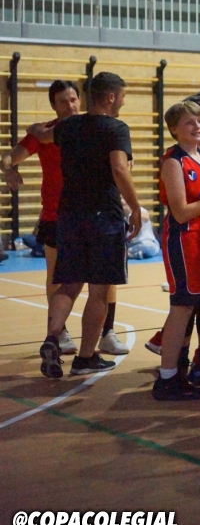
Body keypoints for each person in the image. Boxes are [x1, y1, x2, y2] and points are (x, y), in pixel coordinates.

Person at [37, 72, 141, 378]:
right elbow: (119, 169)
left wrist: (32, 129)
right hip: (103, 217)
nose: (123, 102)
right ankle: (85, 358)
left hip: (68, 216)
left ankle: (52, 338)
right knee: (99, 291)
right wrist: (135, 207)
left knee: (68, 284)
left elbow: (42, 135)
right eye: (122, 97)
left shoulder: (68, 126)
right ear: (111, 97)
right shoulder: (116, 128)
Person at [152, 101, 200, 401]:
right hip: (185, 240)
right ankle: (167, 378)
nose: (198, 126)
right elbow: (181, 212)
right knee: (183, 307)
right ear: (174, 129)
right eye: (189, 122)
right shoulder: (173, 161)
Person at [2, 80, 81, 355]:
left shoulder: (91, 129)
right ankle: (60, 331)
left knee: (100, 278)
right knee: (56, 275)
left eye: (73, 99)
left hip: (89, 214)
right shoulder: (44, 134)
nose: (70, 106)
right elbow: (8, 158)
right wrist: (8, 169)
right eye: (63, 102)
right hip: (55, 214)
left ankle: (106, 331)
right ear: (53, 106)